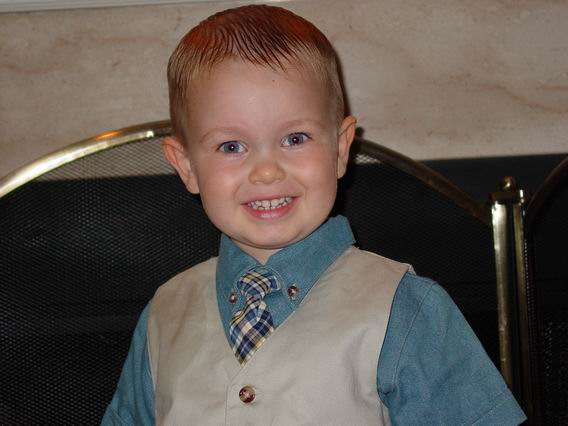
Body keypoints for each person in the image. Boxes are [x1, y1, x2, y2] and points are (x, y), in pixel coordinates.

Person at [102, 4, 526, 425]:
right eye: (231, 146)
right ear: (187, 166)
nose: (267, 171)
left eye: (295, 138)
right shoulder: (163, 316)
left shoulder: (406, 309)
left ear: (340, 149)